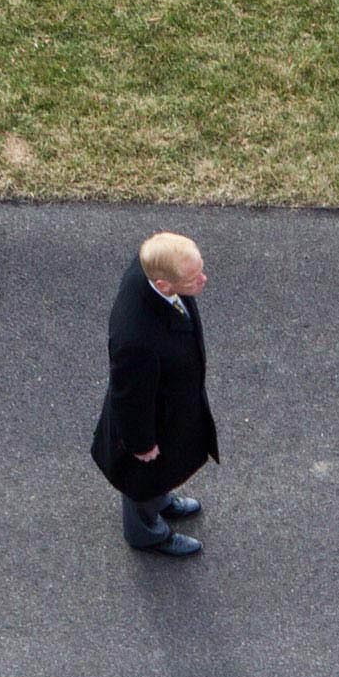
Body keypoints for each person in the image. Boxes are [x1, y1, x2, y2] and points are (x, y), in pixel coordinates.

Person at [90, 230, 215, 556]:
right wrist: (141, 444)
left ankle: (160, 497)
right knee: (141, 477)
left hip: (166, 407)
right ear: (164, 286)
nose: (203, 279)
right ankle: (146, 533)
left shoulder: (152, 265)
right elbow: (129, 399)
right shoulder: (136, 340)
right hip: (147, 422)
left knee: (158, 472)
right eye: (193, 278)